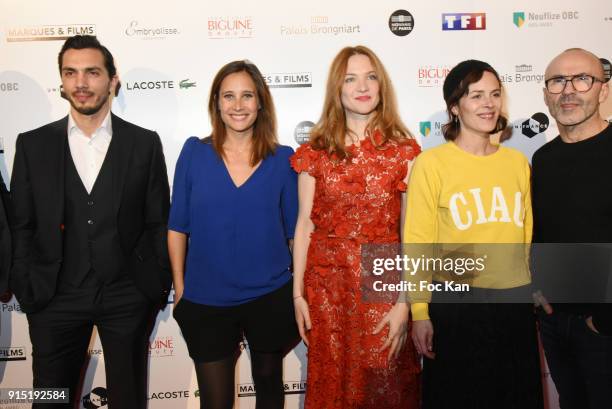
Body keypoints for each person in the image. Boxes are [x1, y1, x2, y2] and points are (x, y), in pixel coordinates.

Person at [9, 35, 171, 408]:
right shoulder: (33, 145)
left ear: (112, 80)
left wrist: (153, 282)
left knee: (128, 398)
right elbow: (22, 224)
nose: (81, 83)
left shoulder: (143, 144)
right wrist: (26, 279)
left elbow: (157, 221)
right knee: (49, 398)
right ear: (62, 82)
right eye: (71, 73)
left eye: (92, 72)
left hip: (126, 294)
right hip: (54, 296)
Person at [405, 60, 543, 409]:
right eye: (476, 95)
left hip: (514, 301)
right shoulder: (431, 164)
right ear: (455, 106)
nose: (488, 103)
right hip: (457, 304)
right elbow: (418, 242)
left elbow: (526, 232)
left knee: (518, 396)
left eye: (495, 94)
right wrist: (420, 311)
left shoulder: (516, 164)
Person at [291, 45, 421, 409]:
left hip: (383, 282)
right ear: (337, 88)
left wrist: (404, 302)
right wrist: (297, 294)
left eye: (370, 76)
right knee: (333, 390)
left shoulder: (405, 151)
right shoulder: (315, 151)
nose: (362, 86)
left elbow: (411, 234)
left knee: (387, 386)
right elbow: (305, 225)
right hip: (327, 289)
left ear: (382, 86)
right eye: (350, 78)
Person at [168, 60, 298, 409]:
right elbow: (177, 226)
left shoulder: (283, 160)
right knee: (215, 401)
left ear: (260, 103)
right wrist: (180, 289)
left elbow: (295, 235)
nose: (238, 105)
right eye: (228, 96)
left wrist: (299, 291)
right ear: (216, 103)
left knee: (269, 387)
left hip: (270, 295)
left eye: (246, 96)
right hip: (207, 299)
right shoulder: (194, 153)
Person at [532, 48, 612, 409]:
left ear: (603, 90)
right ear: (546, 95)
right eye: (557, 81)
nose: (569, 90)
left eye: (582, 79)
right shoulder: (543, 160)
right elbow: (544, 232)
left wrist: (605, 319)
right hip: (555, 323)